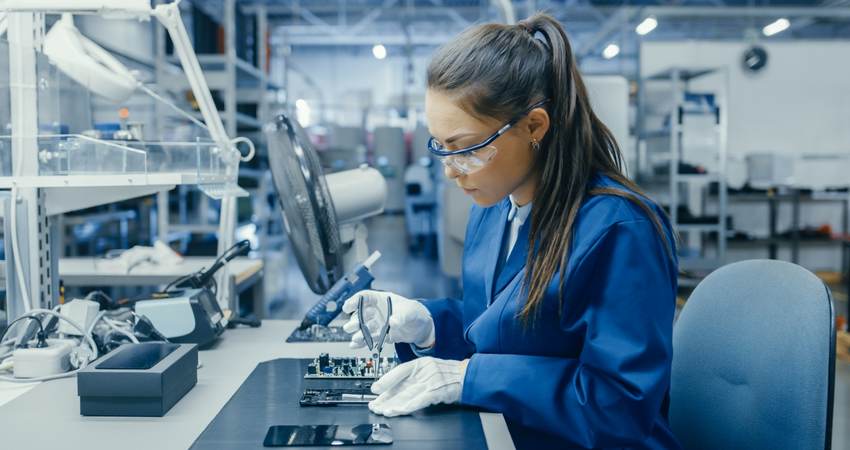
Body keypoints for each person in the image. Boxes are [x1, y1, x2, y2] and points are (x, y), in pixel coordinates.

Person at [342, 13, 680, 450]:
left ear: (534, 126)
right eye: (440, 146)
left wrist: (469, 378)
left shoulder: (621, 230)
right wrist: (426, 325)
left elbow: (619, 408)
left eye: (464, 147)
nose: (449, 170)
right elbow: (496, 328)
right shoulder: (496, 208)